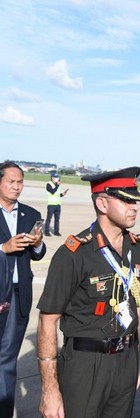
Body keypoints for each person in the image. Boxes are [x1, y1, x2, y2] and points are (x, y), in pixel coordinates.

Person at [37, 167, 140, 418]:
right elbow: (47, 320)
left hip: (125, 360)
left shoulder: (137, 249)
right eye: (126, 200)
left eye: (136, 200)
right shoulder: (74, 254)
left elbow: (138, 305)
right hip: (85, 364)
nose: (134, 206)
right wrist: (50, 389)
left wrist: (134, 361)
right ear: (102, 203)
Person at [0, 161, 46, 417]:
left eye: (20, 183)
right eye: (11, 182)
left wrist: (37, 244)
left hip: (19, 295)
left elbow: (39, 254)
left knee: (7, 360)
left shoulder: (30, 214)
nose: (16, 187)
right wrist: (3, 249)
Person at [44, 171, 69, 237]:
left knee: (57, 219)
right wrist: (57, 185)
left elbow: (57, 194)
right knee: (49, 219)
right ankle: (46, 231)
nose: (57, 178)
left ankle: (56, 231)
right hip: (51, 204)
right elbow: (52, 192)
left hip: (58, 204)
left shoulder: (57, 186)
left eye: (58, 177)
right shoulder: (49, 184)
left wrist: (62, 194)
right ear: (52, 178)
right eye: (56, 177)